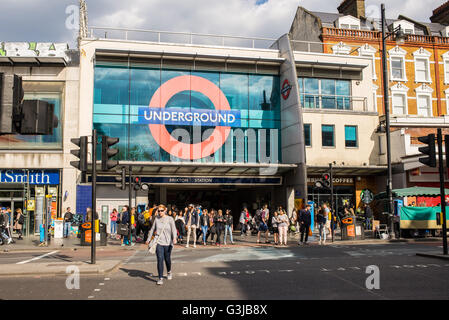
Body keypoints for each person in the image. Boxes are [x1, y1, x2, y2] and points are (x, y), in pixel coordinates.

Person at [147, 204, 177, 286]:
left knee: (167, 259)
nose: (160, 212)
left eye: (161, 211)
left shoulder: (170, 219)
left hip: (168, 242)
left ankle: (169, 271)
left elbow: (174, 229)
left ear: (165, 210)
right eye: (159, 211)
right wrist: (148, 239)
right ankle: (160, 278)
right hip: (158, 242)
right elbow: (152, 229)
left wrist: (174, 238)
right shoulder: (156, 219)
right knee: (160, 259)